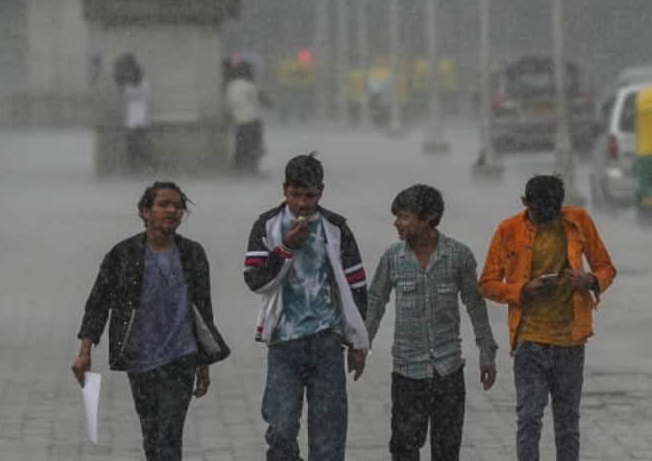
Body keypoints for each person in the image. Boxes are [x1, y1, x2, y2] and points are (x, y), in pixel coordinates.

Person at [73, 182, 230, 461]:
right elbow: (98, 302)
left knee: (170, 435)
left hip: (181, 359)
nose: (172, 211)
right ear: (146, 211)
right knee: (152, 435)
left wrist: (203, 361)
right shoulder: (124, 254)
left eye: (177, 206)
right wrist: (85, 352)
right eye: (164, 204)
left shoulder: (193, 254)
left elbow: (203, 312)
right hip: (140, 360)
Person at [479, 175, 616, 461]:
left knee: (568, 424)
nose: (545, 220)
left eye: (552, 213)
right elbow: (487, 283)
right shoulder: (508, 230)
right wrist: (521, 291)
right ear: (525, 203)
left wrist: (588, 280)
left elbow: (606, 268)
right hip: (529, 341)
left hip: (571, 341)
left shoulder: (578, 221)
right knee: (529, 418)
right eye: (539, 214)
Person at [242, 153, 369, 461]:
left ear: (321, 192)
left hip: (326, 341)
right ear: (284, 190)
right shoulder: (268, 225)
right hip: (283, 342)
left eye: (309, 196)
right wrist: (285, 248)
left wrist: (358, 342)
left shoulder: (335, 228)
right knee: (281, 427)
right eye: (295, 195)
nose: (302, 203)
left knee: (328, 434)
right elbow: (255, 280)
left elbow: (356, 288)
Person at [365, 184, 499, 461]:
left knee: (447, 451)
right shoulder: (393, 258)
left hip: (448, 372)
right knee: (403, 449)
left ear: (427, 219)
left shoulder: (458, 256)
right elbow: (376, 302)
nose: (396, 223)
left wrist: (487, 353)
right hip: (406, 373)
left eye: (403, 217)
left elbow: (475, 305)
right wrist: (361, 347)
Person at [115, 53, 155, 173]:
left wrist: (127, 87)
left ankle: (145, 164)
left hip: (139, 116)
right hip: (133, 116)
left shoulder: (141, 81)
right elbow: (129, 95)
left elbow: (137, 94)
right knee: (133, 142)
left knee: (137, 143)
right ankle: (138, 164)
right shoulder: (130, 81)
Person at [225, 60, 265, 175]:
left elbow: (229, 104)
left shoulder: (230, 86)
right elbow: (257, 101)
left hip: (239, 121)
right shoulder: (249, 85)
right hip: (252, 120)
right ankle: (252, 168)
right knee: (253, 145)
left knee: (241, 146)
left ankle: (239, 167)